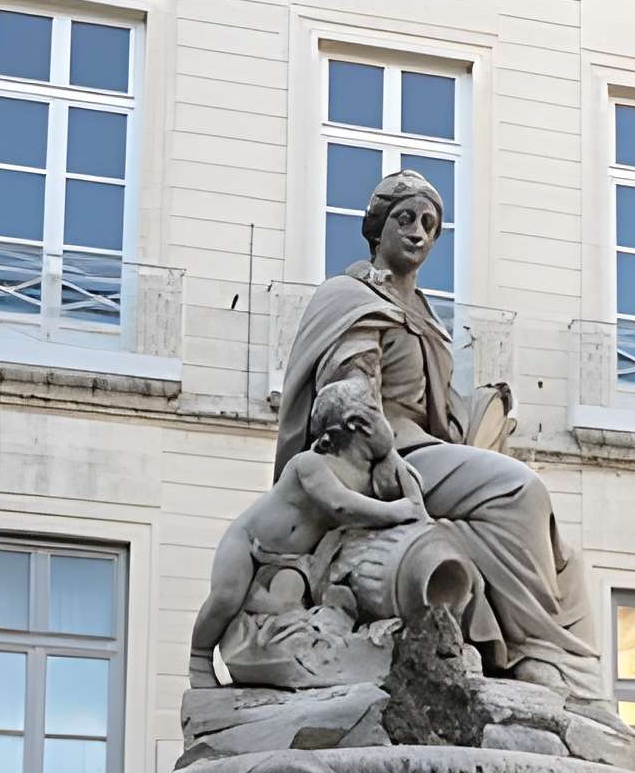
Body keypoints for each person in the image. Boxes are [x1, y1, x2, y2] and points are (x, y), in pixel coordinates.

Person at [274, 169, 605, 700]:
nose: (418, 232)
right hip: (382, 459)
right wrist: (378, 445)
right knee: (521, 491)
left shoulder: (425, 313)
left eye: (430, 223)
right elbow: (346, 395)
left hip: (427, 449)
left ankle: (553, 661)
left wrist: (483, 411)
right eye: (405, 219)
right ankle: (535, 652)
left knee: (563, 552)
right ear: (377, 228)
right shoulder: (349, 297)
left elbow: (439, 410)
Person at [189, 376, 424, 687]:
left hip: (297, 560)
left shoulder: (368, 475)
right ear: (358, 423)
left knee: (288, 611)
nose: (390, 425)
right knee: (226, 598)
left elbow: (414, 488)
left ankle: (291, 661)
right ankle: (199, 657)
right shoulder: (309, 464)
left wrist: (392, 457)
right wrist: (401, 509)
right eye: (378, 410)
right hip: (249, 543)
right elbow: (340, 505)